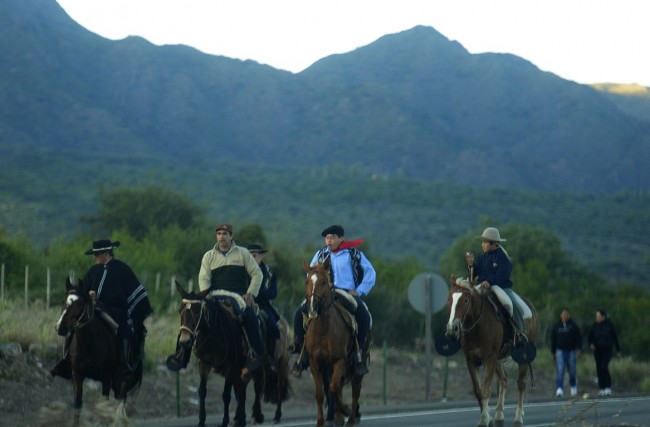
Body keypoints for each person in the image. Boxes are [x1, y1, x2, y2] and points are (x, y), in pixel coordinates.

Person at [166, 224, 265, 376]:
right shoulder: (209, 256)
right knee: (191, 315)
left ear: (231, 236)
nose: (221, 236)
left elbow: (257, 274)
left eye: (225, 233)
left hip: (237, 295)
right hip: (214, 294)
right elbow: (204, 277)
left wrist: (250, 293)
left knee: (250, 316)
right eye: (219, 233)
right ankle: (181, 356)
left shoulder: (243, 253)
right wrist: (206, 293)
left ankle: (255, 354)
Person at [51, 240, 153, 378]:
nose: (95, 258)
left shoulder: (122, 269)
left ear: (106, 254)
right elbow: (83, 290)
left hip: (117, 311)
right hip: (92, 308)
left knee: (125, 329)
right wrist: (88, 295)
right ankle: (66, 361)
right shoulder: (93, 270)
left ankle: (124, 363)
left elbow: (132, 292)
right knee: (72, 323)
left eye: (97, 254)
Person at [291, 224, 376, 377]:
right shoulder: (321, 254)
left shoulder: (353, 254)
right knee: (299, 313)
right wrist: (314, 289)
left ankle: (360, 354)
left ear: (341, 238)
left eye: (332, 238)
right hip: (323, 294)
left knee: (363, 315)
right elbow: (310, 274)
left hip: (346, 292)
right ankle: (301, 351)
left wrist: (359, 291)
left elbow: (370, 273)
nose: (329, 241)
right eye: (327, 238)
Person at [465, 227, 527, 340]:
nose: (482, 244)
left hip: (501, 287)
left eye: (485, 242)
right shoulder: (481, 258)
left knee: (511, 304)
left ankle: (521, 332)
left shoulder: (503, 258)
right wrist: (471, 265)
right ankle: (461, 330)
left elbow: (503, 276)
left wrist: (489, 281)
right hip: (482, 287)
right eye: (482, 242)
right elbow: (473, 276)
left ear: (494, 244)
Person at [247, 243, 280, 372]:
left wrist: (257, 292)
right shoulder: (242, 271)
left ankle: (270, 358)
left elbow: (273, 293)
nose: (252, 258)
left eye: (254, 255)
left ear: (260, 256)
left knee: (272, 325)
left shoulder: (270, 272)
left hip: (263, 304)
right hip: (244, 303)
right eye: (249, 256)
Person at [587, 309, 621, 396]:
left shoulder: (609, 325)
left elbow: (615, 338)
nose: (597, 318)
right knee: (599, 368)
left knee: (604, 366)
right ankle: (602, 388)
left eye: (598, 317)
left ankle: (608, 387)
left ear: (603, 317)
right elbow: (590, 337)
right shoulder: (594, 326)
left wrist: (618, 350)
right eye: (596, 317)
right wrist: (591, 344)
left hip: (607, 349)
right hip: (597, 350)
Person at [550, 308, 583, 397]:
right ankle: (559, 389)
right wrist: (553, 352)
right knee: (560, 370)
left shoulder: (573, 326)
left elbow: (579, 338)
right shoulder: (557, 327)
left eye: (566, 314)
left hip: (571, 351)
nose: (565, 316)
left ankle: (573, 387)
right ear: (561, 315)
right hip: (560, 351)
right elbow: (553, 340)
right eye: (563, 314)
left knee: (572, 370)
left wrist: (579, 349)